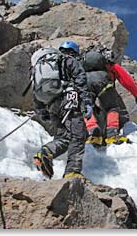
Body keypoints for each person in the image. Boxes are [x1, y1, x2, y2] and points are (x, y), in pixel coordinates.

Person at [31, 41, 94, 179]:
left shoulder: (41, 67)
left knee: (64, 137)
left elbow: (35, 91)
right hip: (68, 99)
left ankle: (46, 153)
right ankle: (72, 172)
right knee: (78, 135)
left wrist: (42, 111)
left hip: (51, 104)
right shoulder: (68, 60)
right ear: (74, 52)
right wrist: (87, 102)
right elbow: (80, 80)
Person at [80, 44, 137, 146]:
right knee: (112, 108)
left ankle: (92, 131)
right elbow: (126, 80)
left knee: (86, 106)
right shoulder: (111, 65)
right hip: (103, 82)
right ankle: (112, 134)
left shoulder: (86, 66)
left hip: (86, 81)